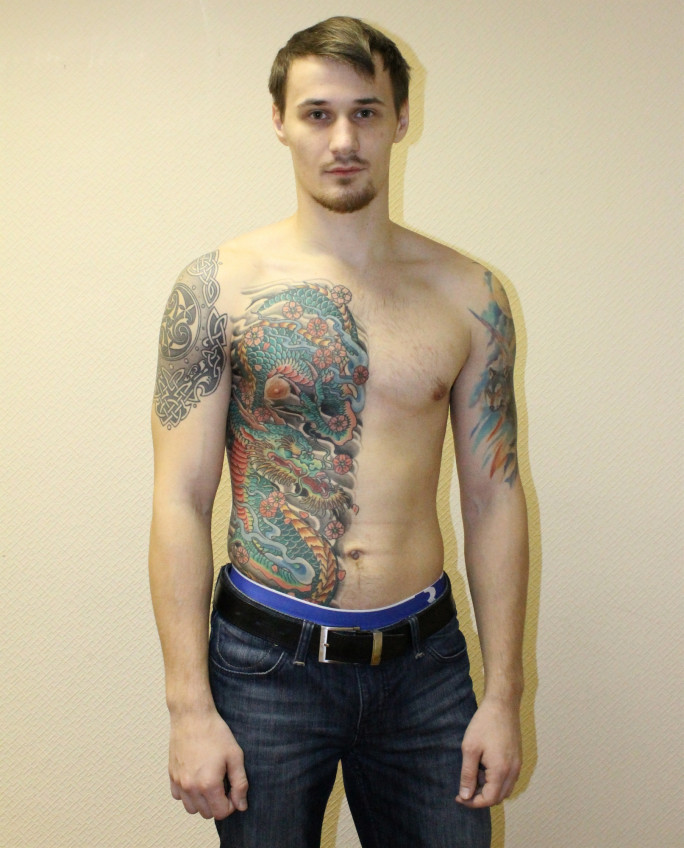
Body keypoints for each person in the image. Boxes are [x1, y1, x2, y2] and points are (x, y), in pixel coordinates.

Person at [149, 16, 528, 848]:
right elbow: (180, 498)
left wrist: (503, 696)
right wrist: (188, 707)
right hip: (265, 669)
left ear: (401, 120)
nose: (344, 139)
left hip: (426, 670)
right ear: (279, 121)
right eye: (318, 113)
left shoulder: (469, 294)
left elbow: (494, 497)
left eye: (366, 112)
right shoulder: (218, 289)